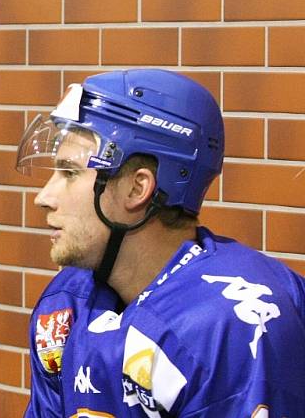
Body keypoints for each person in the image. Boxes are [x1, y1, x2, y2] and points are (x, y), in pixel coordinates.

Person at [15, 69, 305, 417]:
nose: (43, 197)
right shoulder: (65, 304)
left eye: (70, 173)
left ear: (138, 188)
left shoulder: (232, 324)